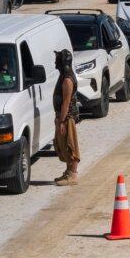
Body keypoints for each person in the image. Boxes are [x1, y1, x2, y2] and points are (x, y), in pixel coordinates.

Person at [53, 49, 80, 186]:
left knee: (70, 145)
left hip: (67, 118)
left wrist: (62, 121)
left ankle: (73, 175)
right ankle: (68, 171)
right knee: (62, 144)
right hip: (62, 117)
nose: (55, 62)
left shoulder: (67, 80)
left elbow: (66, 102)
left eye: (57, 60)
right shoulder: (63, 76)